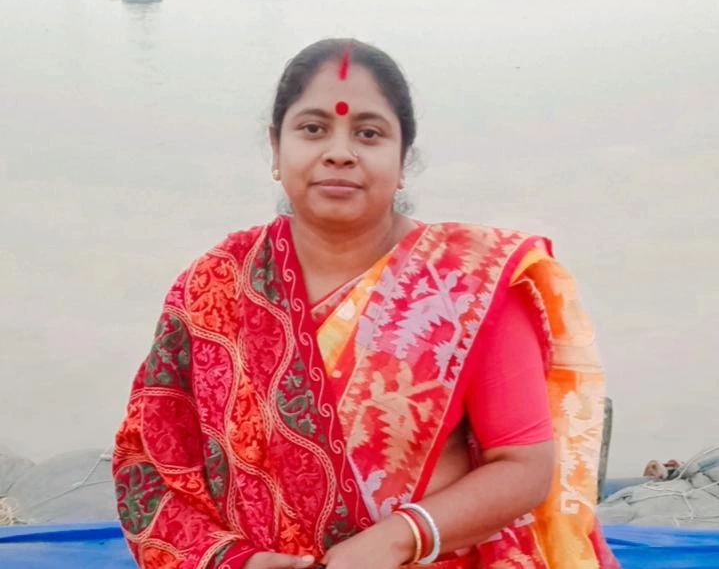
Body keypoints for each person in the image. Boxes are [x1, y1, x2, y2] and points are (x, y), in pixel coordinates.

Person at [112, 38, 620, 569]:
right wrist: (233, 560)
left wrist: (400, 538)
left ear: (402, 162)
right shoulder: (215, 283)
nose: (339, 152)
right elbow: (149, 460)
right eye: (313, 129)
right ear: (276, 149)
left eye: (369, 133)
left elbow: (523, 466)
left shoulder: (469, 282)